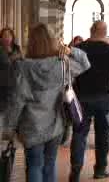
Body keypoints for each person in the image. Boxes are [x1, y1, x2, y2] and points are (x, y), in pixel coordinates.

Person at [3, 23, 90, 182]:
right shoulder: (61, 65)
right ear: (52, 42)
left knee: (34, 165)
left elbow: (17, 100)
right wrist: (70, 50)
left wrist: (8, 127)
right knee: (49, 164)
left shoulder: (22, 67)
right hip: (55, 124)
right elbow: (85, 63)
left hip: (31, 126)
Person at [70, 21, 109, 181]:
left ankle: (76, 170)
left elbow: (69, 72)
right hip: (103, 99)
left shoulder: (79, 48)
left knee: (79, 133)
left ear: (91, 30)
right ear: (105, 33)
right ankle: (100, 169)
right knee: (103, 134)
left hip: (82, 97)